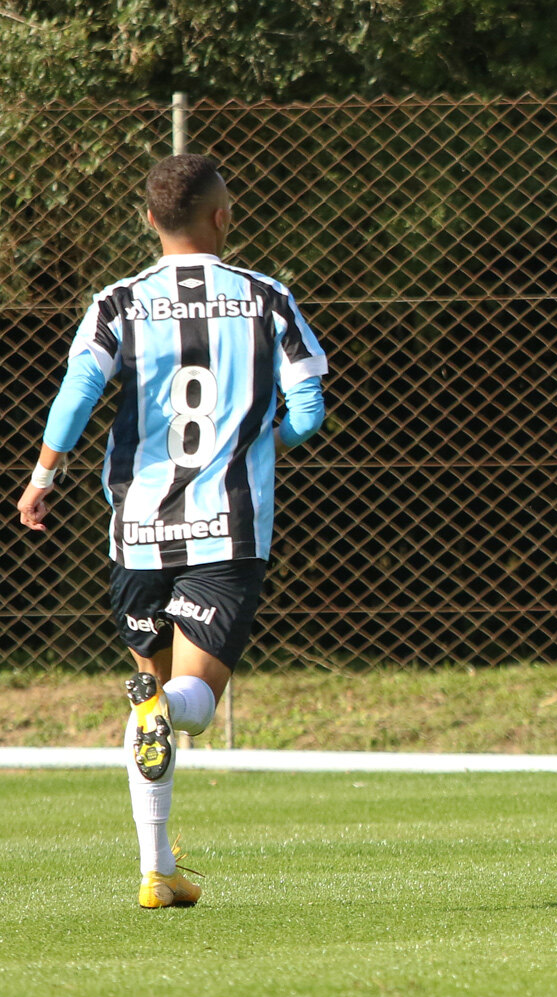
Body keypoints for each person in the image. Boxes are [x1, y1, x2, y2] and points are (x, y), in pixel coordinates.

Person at [16, 153, 329, 907]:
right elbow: (310, 413)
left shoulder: (119, 302)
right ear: (222, 217)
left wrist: (42, 477)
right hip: (229, 528)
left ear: (147, 221)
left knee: (145, 696)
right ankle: (165, 721)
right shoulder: (267, 299)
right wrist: (264, 443)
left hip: (138, 529)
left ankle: (159, 871)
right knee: (189, 702)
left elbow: (77, 393)